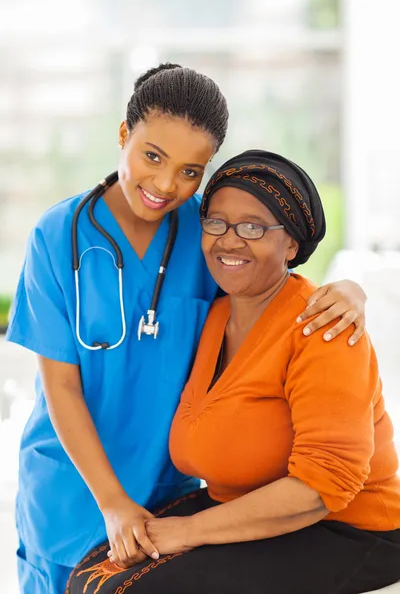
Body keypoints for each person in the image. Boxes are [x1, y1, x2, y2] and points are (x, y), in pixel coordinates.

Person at [6, 63, 366, 594]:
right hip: (70, 489)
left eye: (190, 171)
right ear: (124, 134)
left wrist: (351, 290)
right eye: (152, 156)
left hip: (168, 493)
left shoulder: (207, 233)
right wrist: (112, 502)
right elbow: (59, 385)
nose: (166, 185)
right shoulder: (58, 235)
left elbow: (272, 285)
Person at [67, 150, 400, 594]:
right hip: (237, 504)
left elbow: (324, 487)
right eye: (216, 222)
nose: (229, 240)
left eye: (253, 227)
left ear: (292, 245)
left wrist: (187, 531)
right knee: (91, 576)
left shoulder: (324, 328)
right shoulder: (216, 314)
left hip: (348, 527)